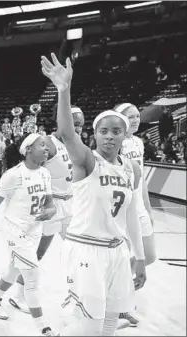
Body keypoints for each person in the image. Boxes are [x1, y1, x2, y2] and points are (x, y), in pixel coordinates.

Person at [41, 53, 146, 336]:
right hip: (86, 249)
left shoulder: (132, 168)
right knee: (90, 325)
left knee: (110, 322)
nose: (110, 136)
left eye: (116, 131)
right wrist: (63, 89)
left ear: (125, 136)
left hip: (117, 250)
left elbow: (132, 215)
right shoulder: (87, 161)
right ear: (95, 135)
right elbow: (65, 133)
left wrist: (138, 255)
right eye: (103, 131)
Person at [0, 133, 57, 336]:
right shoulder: (13, 175)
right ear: (27, 150)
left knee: (14, 270)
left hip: (34, 231)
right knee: (32, 277)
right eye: (41, 145)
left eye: (46, 145)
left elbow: (51, 204)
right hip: (14, 231)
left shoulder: (45, 173)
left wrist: (50, 211)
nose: (46, 148)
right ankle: (44, 328)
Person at [2, 104, 85, 314]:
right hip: (49, 206)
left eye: (81, 125)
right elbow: (31, 171)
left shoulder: (76, 143)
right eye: (74, 124)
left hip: (70, 204)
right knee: (36, 254)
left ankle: (81, 293)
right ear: (62, 121)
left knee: (81, 250)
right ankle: (15, 293)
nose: (78, 129)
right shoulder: (48, 143)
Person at [115, 102, 157, 326]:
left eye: (137, 116)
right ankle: (120, 305)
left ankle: (116, 292)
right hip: (123, 207)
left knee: (149, 256)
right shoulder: (114, 141)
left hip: (139, 205)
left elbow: (142, 184)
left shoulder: (138, 142)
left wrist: (148, 210)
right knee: (123, 255)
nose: (136, 119)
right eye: (130, 116)